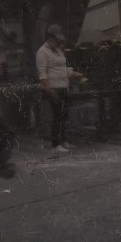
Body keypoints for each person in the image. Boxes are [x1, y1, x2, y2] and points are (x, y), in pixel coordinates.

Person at [36, 24, 83, 154]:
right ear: (50, 37)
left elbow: (63, 69)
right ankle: (56, 144)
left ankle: (63, 140)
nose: (58, 41)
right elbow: (42, 74)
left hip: (63, 87)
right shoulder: (42, 52)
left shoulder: (59, 51)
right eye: (56, 39)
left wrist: (73, 73)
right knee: (57, 116)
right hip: (53, 89)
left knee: (64, 115)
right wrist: (49, 90)